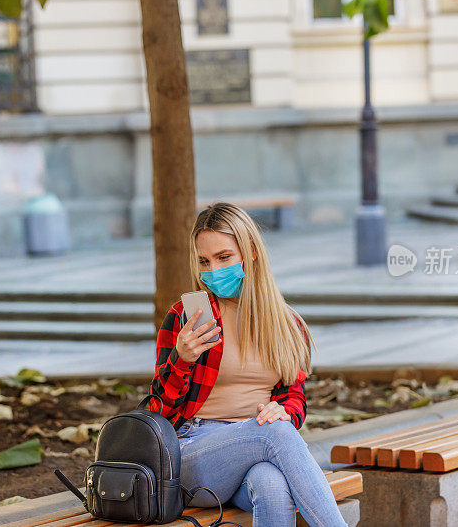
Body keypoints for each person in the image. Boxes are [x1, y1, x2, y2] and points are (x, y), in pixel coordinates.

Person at [148, 202, 348, 527]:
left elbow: (294, 396)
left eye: (224, 257)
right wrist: (181, 360)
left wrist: (284, 411)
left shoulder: (284, 323)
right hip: (193, 452)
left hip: (255, 449)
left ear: (251, 251)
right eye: (204, 261)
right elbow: (159, 412)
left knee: (271, 484)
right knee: (274, 434)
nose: (213, 270)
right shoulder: (187, 320)